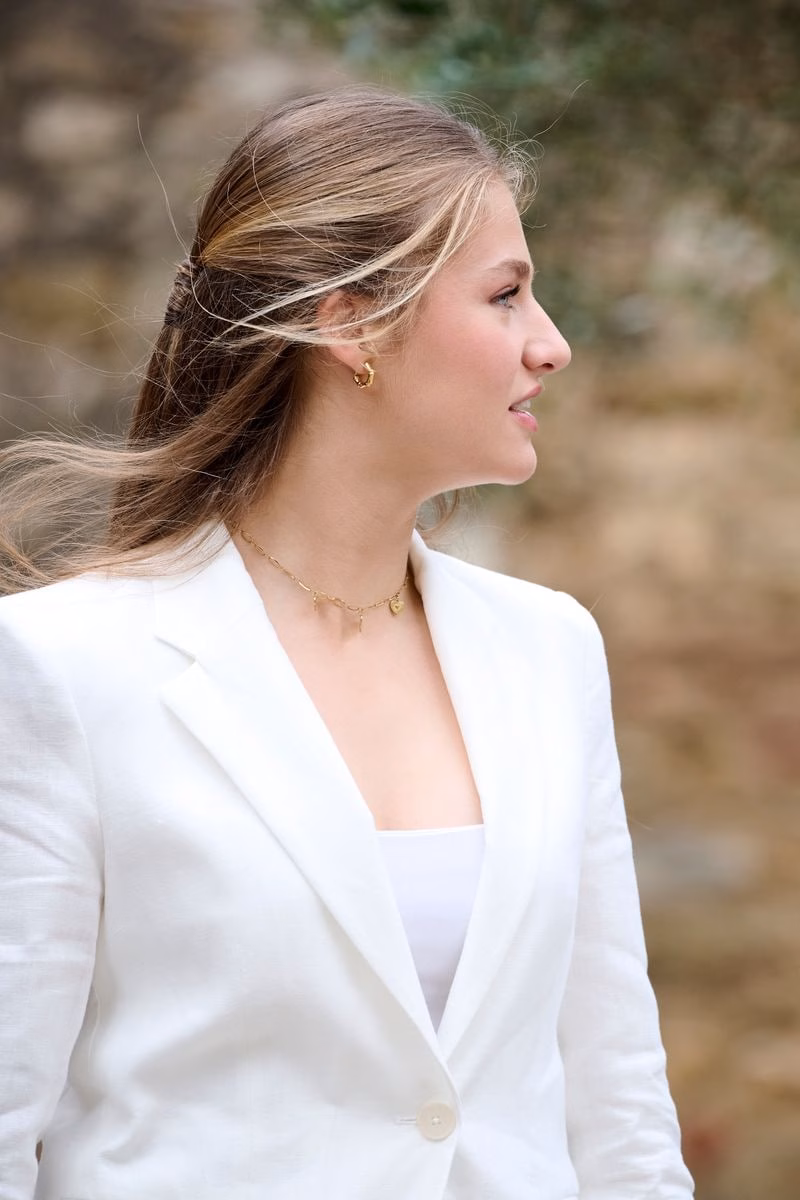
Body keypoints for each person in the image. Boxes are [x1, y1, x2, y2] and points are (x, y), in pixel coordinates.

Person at [0, 86, 693, 1199]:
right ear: (348, 320)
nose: (550, 345)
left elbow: (616, 1108)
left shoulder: (548, 651)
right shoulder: (63, 668)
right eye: (506, 295)